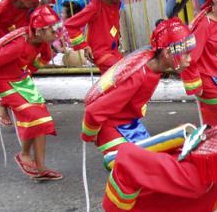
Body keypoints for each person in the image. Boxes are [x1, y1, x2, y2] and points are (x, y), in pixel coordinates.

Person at [81, 18, 195, 161]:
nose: (190, 59)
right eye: (186, 53)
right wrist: (90, 134)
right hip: (113, 129)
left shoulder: (151, 63)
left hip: (130, 125)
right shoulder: (138, 75)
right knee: (143, 173)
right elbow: (93, 111)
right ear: (167, 53)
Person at [0, 5, 62, 180]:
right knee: (37, 117)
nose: (57, 33)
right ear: (39, 31)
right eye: (52, 29)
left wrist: (28, 71)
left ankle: (40, 168)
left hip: (23, 80)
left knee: (42, 120)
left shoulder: (42, 43)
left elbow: (42, 59)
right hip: (6, 82)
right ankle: (24, 154)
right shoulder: (17, 45)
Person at [64, 0, 148, 73]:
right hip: (100, 53)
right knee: (122, 73)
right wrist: (84, 46)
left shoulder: (116, 4)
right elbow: (71, 24)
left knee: (131, 72)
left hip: (113, 52)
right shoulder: (95, 6)